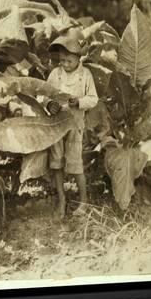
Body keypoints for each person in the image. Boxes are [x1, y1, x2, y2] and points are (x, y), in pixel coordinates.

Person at [44, 28, 98, 219]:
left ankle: (83, 201)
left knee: (75, 164)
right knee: (56, 162)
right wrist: (49, 104)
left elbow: (93, 99)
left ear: (79, 58)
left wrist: (79, 102)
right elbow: (45, 94)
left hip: (75, 125)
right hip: (57, 126)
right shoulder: (55, 74)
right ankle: (62, 200)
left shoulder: (86, 75)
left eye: (69, 61)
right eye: (62, 60)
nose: (65, 64)